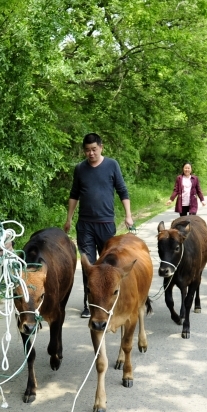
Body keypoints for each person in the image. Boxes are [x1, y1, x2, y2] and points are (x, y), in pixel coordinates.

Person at [63, 133, 133, 318]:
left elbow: (122, 191)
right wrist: (69, 219)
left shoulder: (112, 165)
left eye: (94, 149)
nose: (91, 153)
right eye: (87, 150)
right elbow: (74, 194)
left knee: (108, 265)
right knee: (89, 264)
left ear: (101, 147)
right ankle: (90, 303)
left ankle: (110, 301)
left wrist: (128, 215)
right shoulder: (80, 169)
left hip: (106, 224)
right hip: (85, 225)